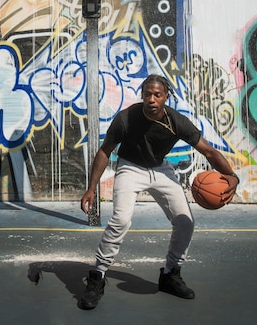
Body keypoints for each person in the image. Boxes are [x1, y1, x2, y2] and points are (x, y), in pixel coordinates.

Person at [79, 74, 239, 309]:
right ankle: (98, 276)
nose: (151, 99)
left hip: (161, 169)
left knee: (185, 221)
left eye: (157, 94)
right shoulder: (126, 119)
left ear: (166, 97)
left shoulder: (177, 121)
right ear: (142, 95)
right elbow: (105, 151)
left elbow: (209, 152)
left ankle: (170, 274)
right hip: (130, 168)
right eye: (147, 94)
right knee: (121, 220)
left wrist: (232, 176)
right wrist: (91, 188)